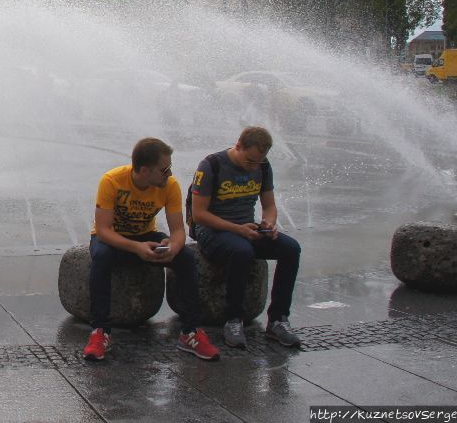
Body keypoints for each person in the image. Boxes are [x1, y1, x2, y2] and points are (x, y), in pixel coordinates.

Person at [83, 138, 220, 362]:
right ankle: (100, 331)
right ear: (145, 170)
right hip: (114, 238)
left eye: (170, 168)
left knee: (185, 256)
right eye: (164, 169)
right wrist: (136, 247)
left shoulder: (170, 186)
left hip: (145, 236)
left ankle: (191, 331)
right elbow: (103, 230)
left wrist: (173, 247)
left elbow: (177, 231)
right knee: (101, 255)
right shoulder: (112, 181)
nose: (169, 174)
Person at [191, 126, 302, 348]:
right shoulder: (211, 165)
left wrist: (269, 223)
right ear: (238, 146)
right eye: (250, 161)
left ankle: (278, 319)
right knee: (242, 251)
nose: (253, 167)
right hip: (213, 231)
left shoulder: (263, 167)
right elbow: (199, 214)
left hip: (247, 229)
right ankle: (233, 320)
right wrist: (236, 229)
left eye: (258, 162)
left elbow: (269, 206)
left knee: (291, 249)